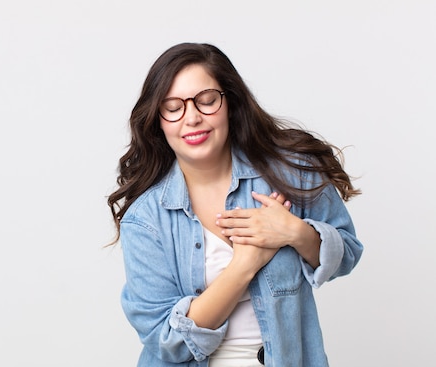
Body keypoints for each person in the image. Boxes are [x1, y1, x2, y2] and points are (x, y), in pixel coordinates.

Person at [106, 42, 364, 367]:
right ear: (158, 120)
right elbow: (166, 341)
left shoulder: (289, 174)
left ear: (230, 102)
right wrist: (244, 264)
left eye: (207, 101)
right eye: (173, 107)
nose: (193, 118)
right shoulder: (145, 219)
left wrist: (295, 232)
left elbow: (347, 254)